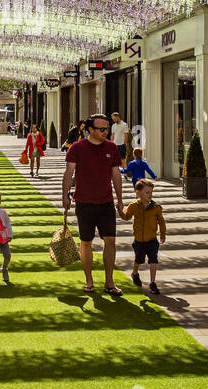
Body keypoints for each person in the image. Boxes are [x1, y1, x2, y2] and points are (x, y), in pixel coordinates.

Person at [62, 113, 125, 298]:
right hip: (84, 202)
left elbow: (116, 174)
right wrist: (64, 196)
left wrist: (120, 199)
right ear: (91, 130)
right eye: (102, 129)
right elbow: (68, 173)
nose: (106, 131)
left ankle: (109, 281)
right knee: (86, 242)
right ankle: (89, 280)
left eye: (107, 128)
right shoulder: (77, 148)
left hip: (106, 202)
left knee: (110, 241)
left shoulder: (112, 148)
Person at [121, 177, 166, 295]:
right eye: (147, 192)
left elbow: (161, 221)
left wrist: (162, 234)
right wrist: (120, 210)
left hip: (152, 240)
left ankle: (152, 283)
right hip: (139, 241)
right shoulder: (133, 206)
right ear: (138, 193)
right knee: (138, 260)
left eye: (151, 192)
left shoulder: (156, 208)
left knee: (153, 260)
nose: (150, 195)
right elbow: (126, 217)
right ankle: (135, 273)